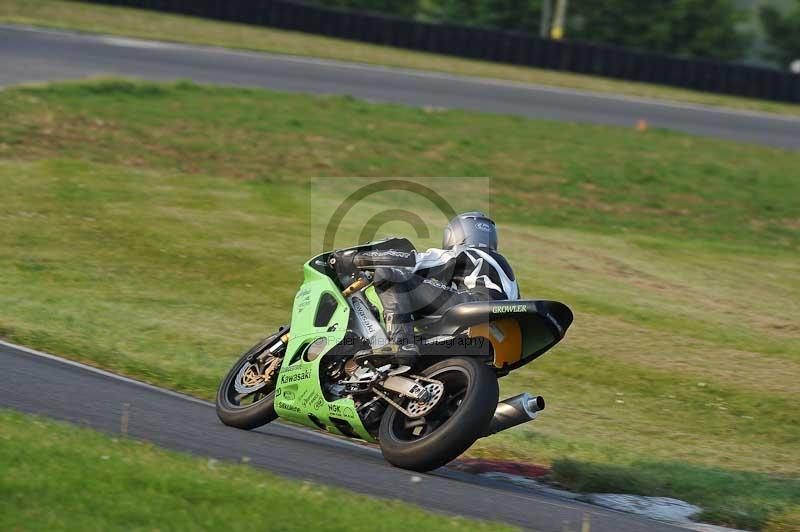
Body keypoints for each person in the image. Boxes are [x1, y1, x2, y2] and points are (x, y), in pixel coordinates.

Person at [347, 211, 519, 366]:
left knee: (390, 275)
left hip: (473, 306)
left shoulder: (464, 252)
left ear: (456, 234)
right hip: (502, 332)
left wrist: (354, 259)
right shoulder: (506, 271)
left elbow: (411, 261)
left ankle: (400, 343)